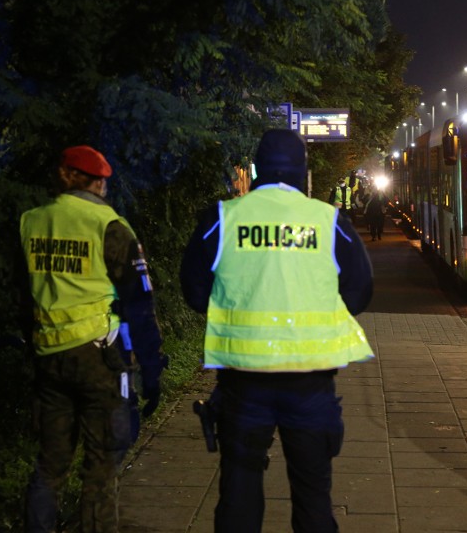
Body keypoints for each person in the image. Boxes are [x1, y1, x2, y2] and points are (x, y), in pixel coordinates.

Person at [180, 129, 374, 533]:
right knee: (312, 496)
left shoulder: (222, 219)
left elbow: (194, 291)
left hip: (243, 384)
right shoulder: (328, 221)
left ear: (256, 170)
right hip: (310, 384)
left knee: (238, 492)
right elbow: (360, 290)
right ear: (304, 172)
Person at [19, 145, 166, 533]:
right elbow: (139, 303)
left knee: (50, 466)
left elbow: (24, 295)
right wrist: (151, 372)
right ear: (99, 183)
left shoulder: (32, 222)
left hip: (49, 357)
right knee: (101, 467)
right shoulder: (109, 226)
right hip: (98, 359)